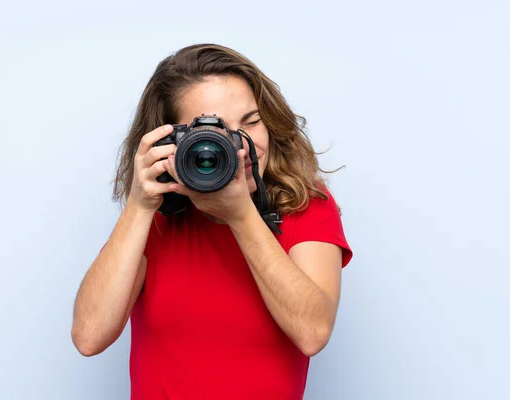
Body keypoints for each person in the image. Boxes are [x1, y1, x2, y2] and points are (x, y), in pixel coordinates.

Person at [71, 43, 353, 400]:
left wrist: (241, 215)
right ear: (171, 141)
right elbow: (89, 336)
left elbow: (312, 332)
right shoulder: (155, 220)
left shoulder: (305, 206)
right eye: (217, 133)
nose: (242, 146)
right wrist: (139, 206)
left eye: (251, 122)